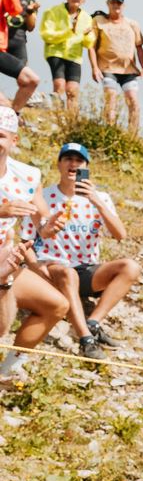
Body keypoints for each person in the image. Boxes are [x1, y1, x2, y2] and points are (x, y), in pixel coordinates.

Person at [34, 143, 141, 359]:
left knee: (131, 267)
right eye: (68, 159)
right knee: (67, 273)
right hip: (54, 268)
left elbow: (121, 234)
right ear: (59, 165)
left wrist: (96, 201)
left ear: (86, 167)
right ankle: (85, 338)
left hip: (87, 270)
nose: (73, 164)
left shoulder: (99, 199)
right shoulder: (44, 196)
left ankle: (93, 323)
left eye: (78, 161)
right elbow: (28, 237)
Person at [0, 107, 69, 383]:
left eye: (1, 136)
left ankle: (8, 368)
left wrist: (47, 227)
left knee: (56, 305)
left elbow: (41, 218)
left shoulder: (27, 176)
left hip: (4, 257)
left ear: (14, 141)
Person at [91, 0, 143, 134]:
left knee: (133, 101)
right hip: (107, 67)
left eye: (119, 3)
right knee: (111, 98)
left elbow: (139, 48)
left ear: (123, 5)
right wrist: (94, 67)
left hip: (128, 69)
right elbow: (91, 46)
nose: (116, 6)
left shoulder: (132, 24)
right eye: (113, 3)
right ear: (108, 4)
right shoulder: (99, 21)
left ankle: (132, 135)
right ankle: (110, 130)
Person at [39, 0, 96, 114]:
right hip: (55, 53)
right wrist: (68, 32)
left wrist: (86, 36)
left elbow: (89, 43)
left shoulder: (87, 18)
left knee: (73, 91)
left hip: (75, 57)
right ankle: (56, 117)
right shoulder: (52, 12)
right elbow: (46, 35)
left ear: (83, 1)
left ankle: (71, 124)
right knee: (59, 85)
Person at [0, 0, 40, 112]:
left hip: (17, 41)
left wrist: (30, 11)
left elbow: (31, 26)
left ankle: (15, 112)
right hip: (3, 40)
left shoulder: (30, 1)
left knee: (26, 78)